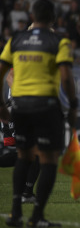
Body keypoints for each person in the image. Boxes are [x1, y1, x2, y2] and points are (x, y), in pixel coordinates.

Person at [0, 0, 77, 227]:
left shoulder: (16, 40)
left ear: (32, 16)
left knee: (23, 156)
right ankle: (37, 217)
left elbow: (2, 71)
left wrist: (2, 105)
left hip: (20, 107)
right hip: (45, 105)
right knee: (48, 158)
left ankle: (15, 213)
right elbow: (65, 76)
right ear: (53, 18)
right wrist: (73, 105)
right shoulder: (58, 41)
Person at [0, 69, 40, 204]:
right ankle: (27, 193)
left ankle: (27, 193)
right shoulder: (22, 61)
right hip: (17, 109)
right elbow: (9, 78)